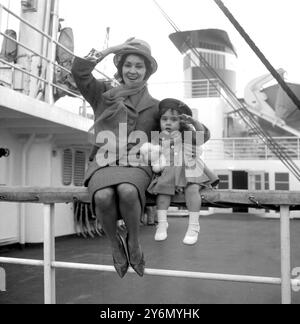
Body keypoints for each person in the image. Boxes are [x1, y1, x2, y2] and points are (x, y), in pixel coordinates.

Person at [71, 38, 160, 278]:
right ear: (120, 68)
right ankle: (114, 245)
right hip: (103, 161)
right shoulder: (102, 94)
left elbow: (178, 133)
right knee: (102, 195)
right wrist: (110, 49)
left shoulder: (156, 106)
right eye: (127, 64)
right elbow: (79, 71)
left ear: (147, 71)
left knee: (128, 191)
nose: (132, 70)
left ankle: (133, 243)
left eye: (139, 66)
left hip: (137, 164)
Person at [141, 98, 219, 245]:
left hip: (190, 168)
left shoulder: (187, 136)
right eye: (164, 119)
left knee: (192, 189)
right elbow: (153, 155)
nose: (168, 123)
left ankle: (194, 226)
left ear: (181, 123)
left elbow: (202, 136)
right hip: (169, 171)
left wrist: (193, 122)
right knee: (163, 191)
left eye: (174, 120)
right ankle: (162, 223)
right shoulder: (157, 138)